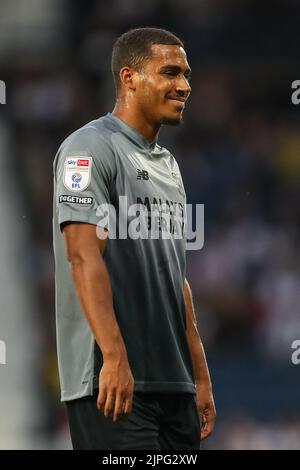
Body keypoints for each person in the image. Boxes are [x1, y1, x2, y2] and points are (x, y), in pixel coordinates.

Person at [53, 27, 216, 450]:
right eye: (170, 73)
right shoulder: (88, 149)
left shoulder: (170, 166)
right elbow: (83, 257)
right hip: (113, 385)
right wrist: (114, 356)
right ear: (129, 78)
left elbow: (177, 277)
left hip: (174, 387)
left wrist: (198, 374)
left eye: (186, 74)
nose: (184, 86)